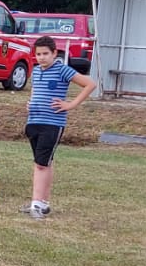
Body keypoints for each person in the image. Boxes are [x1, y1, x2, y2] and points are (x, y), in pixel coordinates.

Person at [21, 35, 98, 220]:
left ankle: (36, 204)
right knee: (42, 163)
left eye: (46, 54)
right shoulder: (37, 71)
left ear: (55, 53)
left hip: (52, 124)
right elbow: (35, 91)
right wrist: (31, 104)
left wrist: (70, 104)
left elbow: (90, 84)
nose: (41, 57)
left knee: (41, 164)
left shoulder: (62, 70)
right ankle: (42, 203)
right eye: (38, 54)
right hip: (34, 121)